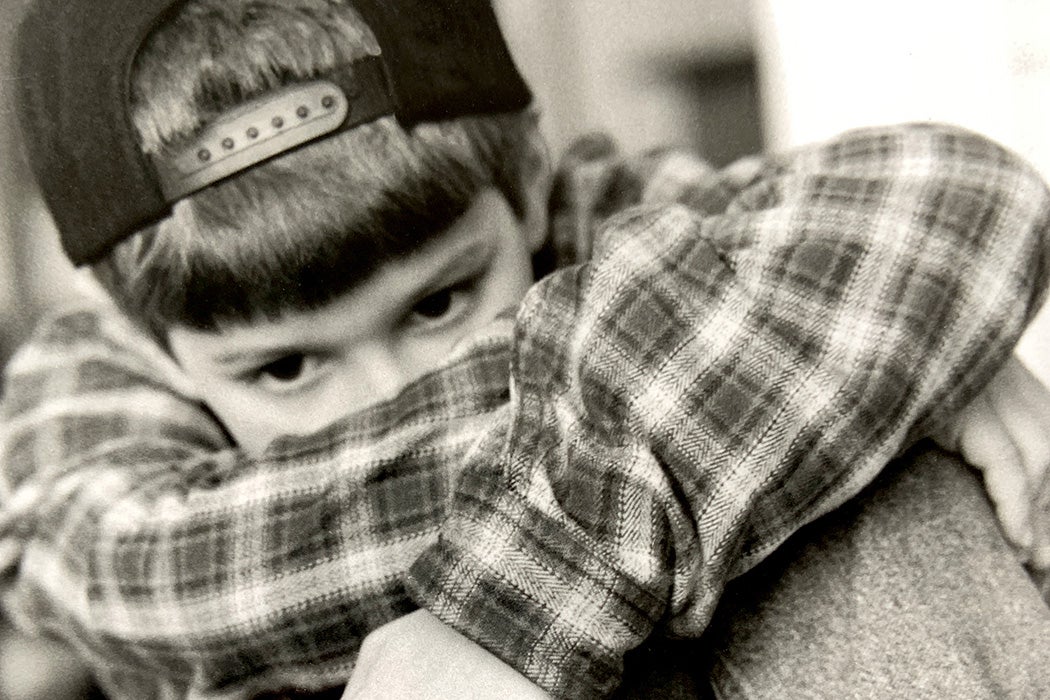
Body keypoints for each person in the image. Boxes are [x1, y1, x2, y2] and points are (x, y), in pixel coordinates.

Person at [3, 0, 1050, 698]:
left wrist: (509, 602)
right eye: (286, 369)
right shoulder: (78, 412)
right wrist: (858, 359)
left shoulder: (610, 211)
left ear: (534, 176)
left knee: (885, 493)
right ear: (138, 334)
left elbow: (959, 198)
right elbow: (149, 573)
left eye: (442, 301)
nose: (392, 391)